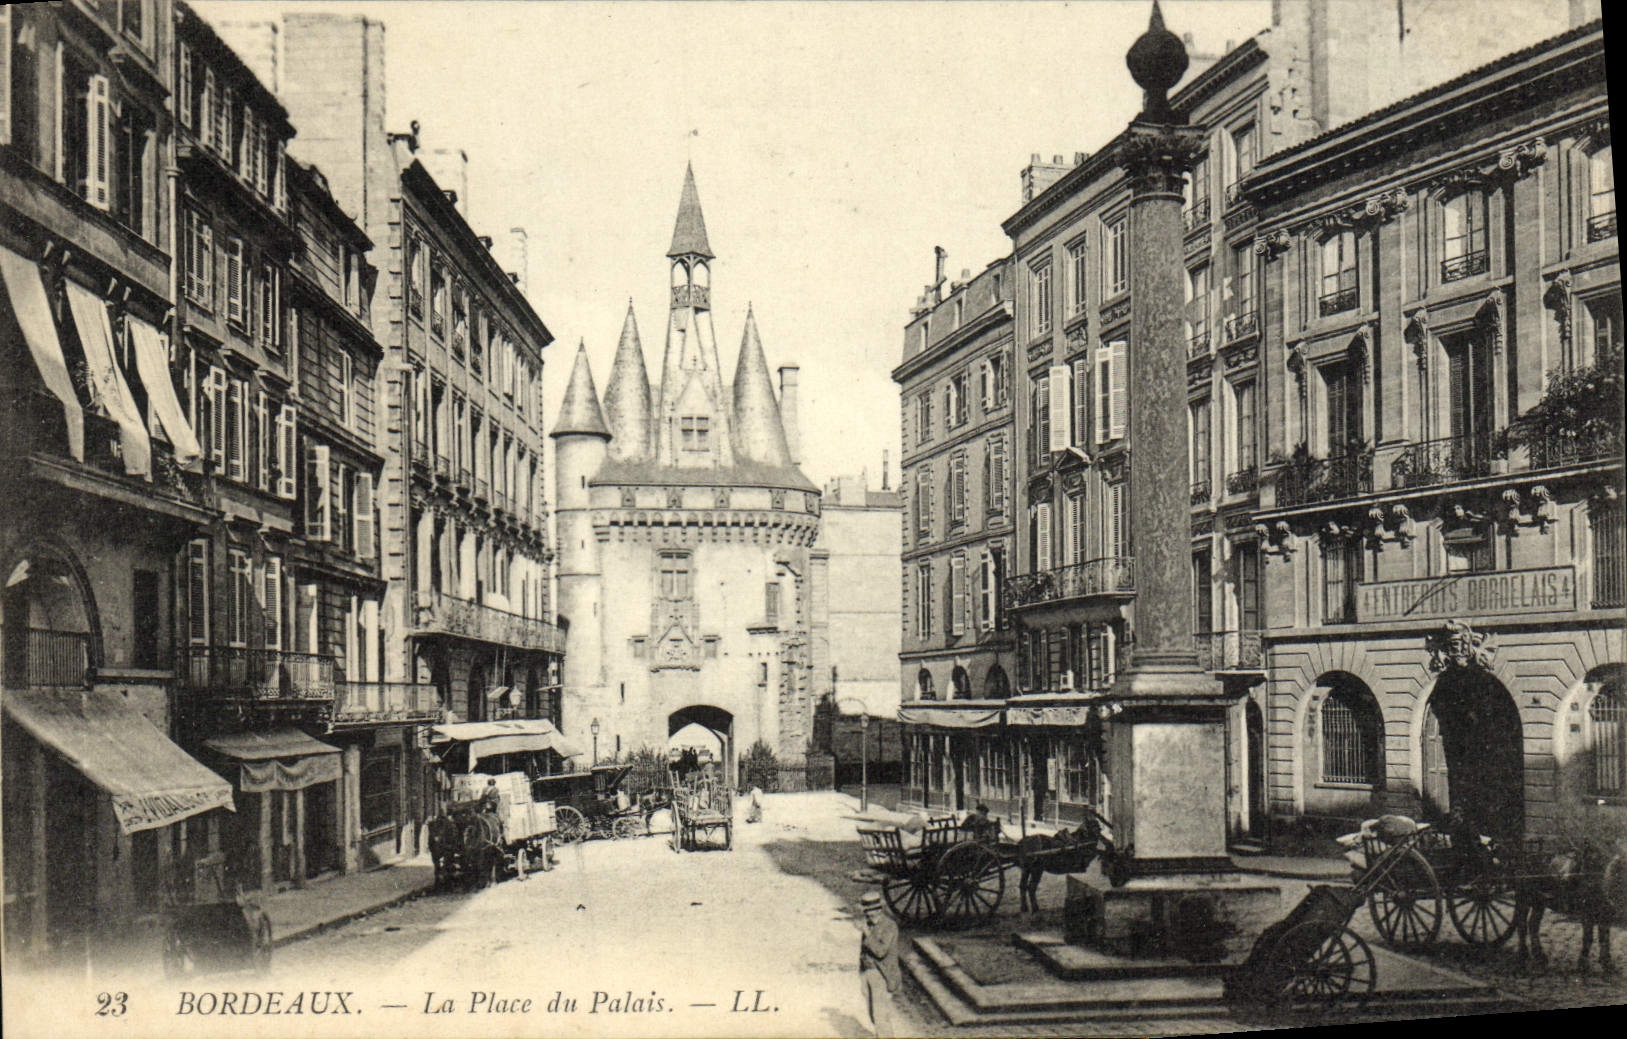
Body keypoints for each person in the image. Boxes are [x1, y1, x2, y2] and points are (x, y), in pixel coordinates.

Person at [858, 891, 900, 1037]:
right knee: (872, 1013)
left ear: (879, 909)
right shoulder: (869, 924)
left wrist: (868, 934)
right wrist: (862, 972)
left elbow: (880, 951)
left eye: (871, 911)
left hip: (881, 973)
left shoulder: (889, 926)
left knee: (880, 1014)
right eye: (866, 911)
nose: (868, 914)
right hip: (867, 972)